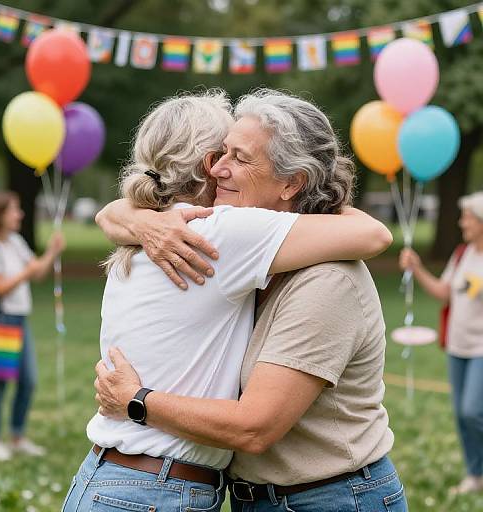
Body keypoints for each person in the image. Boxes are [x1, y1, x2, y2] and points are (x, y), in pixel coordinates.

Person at [93, 89, 406, 512]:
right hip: (253, 497)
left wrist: (137, 399)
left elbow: (255, 428)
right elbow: (111, 213)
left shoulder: (325, 277)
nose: (218, 170)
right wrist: (140, 219)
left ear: (291, 182)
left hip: (328, 498)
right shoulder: (229, 250)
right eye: (218, 154)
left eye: (239, 158)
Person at [0, 190, 65, 461]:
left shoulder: (15, 241)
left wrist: (52, 252)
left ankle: (17, 436)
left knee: (28, 381)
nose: (20, 215)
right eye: (15, 209)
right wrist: (24, 271)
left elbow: (38, 273)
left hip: (19, 320)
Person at [400, 191, 483, 496]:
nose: (462, 223)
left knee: (474, 411)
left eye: (468, 218)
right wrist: (417, 268)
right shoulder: (462, 254)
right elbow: (443, 292)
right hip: (457, 346)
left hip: (481, 350)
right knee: (462, 414)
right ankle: (476, 474)